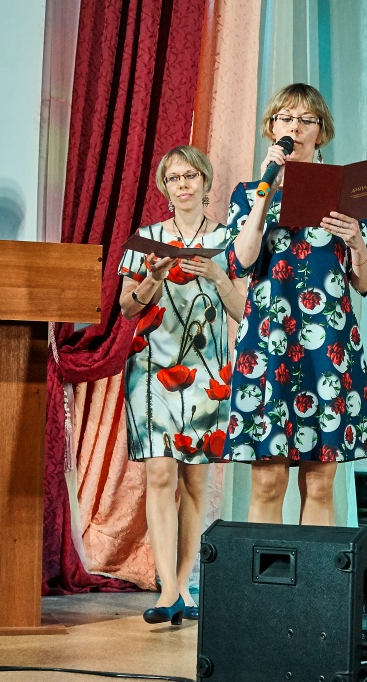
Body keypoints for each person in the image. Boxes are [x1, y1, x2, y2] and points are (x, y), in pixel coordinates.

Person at [219, 83, 367, 525]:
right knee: (268, 481)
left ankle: (315, 574)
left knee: (321, 482)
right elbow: (240, 262)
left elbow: (365, 281)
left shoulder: (347, 194)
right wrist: (265, 195)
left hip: (327, 342)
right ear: (272, 128)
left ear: (321, 132)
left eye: (307, 120)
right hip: (269, 341)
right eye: (286, 119)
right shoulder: (249, 193)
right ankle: (265, 573)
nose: (295, 127)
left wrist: (356, 242)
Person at [118, 145, 246, 624]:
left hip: (208, 374)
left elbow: (244, 312)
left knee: (195, 479)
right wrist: (151, 279)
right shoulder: (145, 239)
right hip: (151, 367)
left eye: (191, 176)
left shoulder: (230, 238)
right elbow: (127, 308)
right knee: (159, 473)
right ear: (164, 188)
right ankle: (166, 588)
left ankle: (185, 585)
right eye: (174, 178)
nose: (184, 184)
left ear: (206, 182)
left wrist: (216, 274)